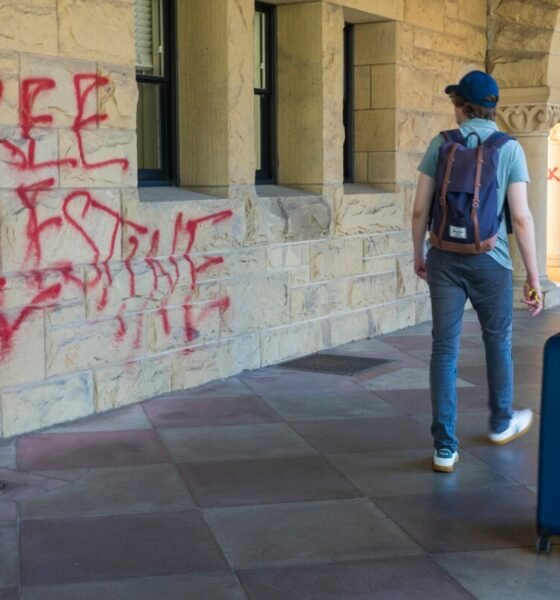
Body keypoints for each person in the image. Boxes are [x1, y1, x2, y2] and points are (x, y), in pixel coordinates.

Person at [411, 70, 543, 473]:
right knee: (497, 341)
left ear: (461, 106)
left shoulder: (441, 143)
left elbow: (419, 209)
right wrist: (534, 277)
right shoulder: (510, 148)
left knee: (444, 348)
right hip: (492, 260)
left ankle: (444, 447)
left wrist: (419, 253)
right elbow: (521, 218)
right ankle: (501, 422)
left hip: (443, 258)